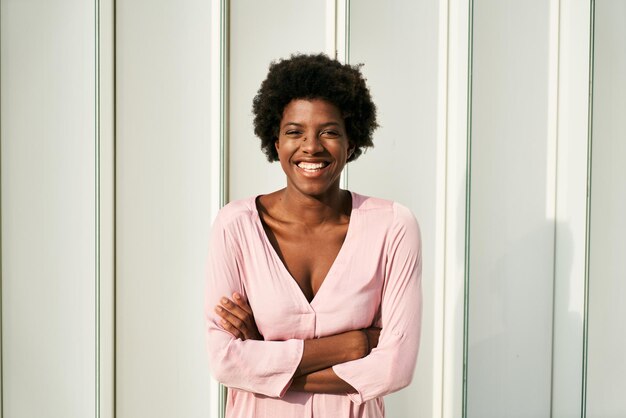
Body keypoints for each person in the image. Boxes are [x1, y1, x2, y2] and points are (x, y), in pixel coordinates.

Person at [205, 53, 422, 418]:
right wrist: (353, 344)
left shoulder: (393, 227)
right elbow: (223, 361)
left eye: (329, 132)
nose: (311, 146)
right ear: (275, 142)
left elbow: (395, 367)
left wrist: (263, 356)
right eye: (294, 132)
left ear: (351, 143)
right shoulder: (235, 226)